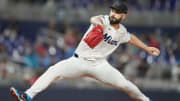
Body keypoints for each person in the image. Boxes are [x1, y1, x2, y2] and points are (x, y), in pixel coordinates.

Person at [10, 1, 160, 101]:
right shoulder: (104, 19)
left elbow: (131, 38)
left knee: (125, 84)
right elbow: (94, 19)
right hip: (78, 61)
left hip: (100, 66)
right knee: (53, 70)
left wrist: (146, 48)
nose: (113, 13)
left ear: (123, 15)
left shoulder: (121, 32)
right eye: (113, 10)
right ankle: (27, 96)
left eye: (117, 11)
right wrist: (99, 26)